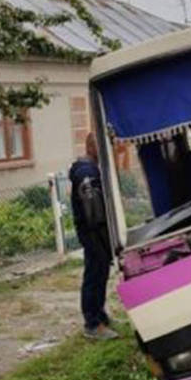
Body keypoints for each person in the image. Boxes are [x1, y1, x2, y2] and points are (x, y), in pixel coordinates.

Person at [70, 133, 119, 339]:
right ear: (94, 148)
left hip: (97, 231)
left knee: (100, 274)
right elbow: (94, 212)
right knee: (94, 275)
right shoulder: (87, 173)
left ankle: (100, 315)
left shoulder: (91, 170)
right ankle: (92, 323)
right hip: (94, 232)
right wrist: (102, 238)